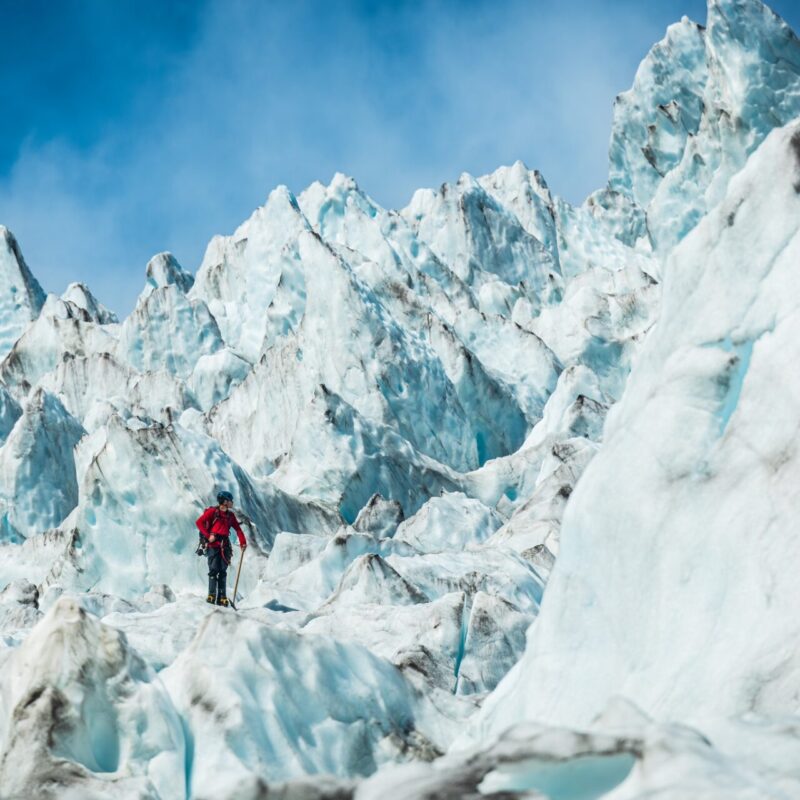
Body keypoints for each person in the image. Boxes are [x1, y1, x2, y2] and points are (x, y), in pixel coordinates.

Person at [196, 490, 247, 606]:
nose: (232, 502)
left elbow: (238, 529)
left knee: (222, 571)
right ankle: (212, 595)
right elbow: (199, 523)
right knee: (214, 570)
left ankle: (222, 596)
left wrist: (243, 542)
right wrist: (208, 536)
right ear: (225, 501)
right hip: (213, 545)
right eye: (230, 500)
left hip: (224, 546)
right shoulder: (213, 512)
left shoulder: (230, 516)